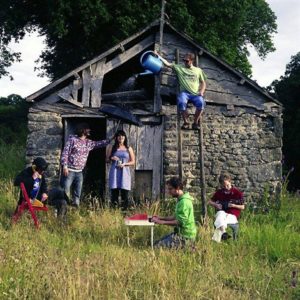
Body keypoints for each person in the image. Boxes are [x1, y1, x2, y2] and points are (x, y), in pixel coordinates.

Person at [61, 123, 110, 208]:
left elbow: (98, 144)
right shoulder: (72, 140)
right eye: (88, 129)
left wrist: (109, 140)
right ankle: (63, 208)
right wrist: (65, 166)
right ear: (83, 130)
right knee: (65, 191)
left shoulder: (88, 142)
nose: (89, 131)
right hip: (70, 171)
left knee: (77, 193)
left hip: (79, 172)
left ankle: (75, 209)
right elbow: (65, 153)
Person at [155, 51, 207, 130]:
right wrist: (158, 56)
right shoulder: (180, 67)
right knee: (181, 102)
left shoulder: (198, 70)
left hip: (195, 93)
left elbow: (203, 83)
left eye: (187, 61)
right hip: (185, 93)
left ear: (191, 61)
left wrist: (202, 91)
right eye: (184, 60)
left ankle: (195, 122)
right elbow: (168, 64)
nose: (185, 62)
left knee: (201, 103)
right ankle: (186, 122)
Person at [152, 177, 197, 249]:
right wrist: (160, 218)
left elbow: (179, 222)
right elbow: (175, 217)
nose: (168, 191)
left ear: (178, 188)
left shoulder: (184, 202)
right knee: (156, 243)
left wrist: (161, 222)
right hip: (179, 233)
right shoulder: (180, 200)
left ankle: (188, 246)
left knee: (156, 247)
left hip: (185, 236)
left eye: (170, 189)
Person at [208, 173, 245, 242]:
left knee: (219, 220)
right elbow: (209, 201)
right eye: (224, 186)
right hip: (222, 214)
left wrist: (234, 205)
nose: (226, 187)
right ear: (221, 185)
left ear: (230, 182)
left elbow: (243, 207)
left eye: (227, 185)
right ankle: (224, 233)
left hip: (232, 216)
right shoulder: (219, 192)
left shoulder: (237, 192)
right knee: (221, 214)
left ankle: (219, 239)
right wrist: (216, 205)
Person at [106, 130, 135, 210]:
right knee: (114, 194)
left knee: (124, 194)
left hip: (125, 173)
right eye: (119, 136)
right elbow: (107, 160)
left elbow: (133, 162)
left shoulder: (129, 148)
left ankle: (124, 213)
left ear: (125, 137)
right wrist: (112, 158)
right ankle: (113, 213)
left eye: (122, 136)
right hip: (115, 172)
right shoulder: (112, 147)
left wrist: (124, 164)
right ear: (116, 138)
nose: (121, 137)